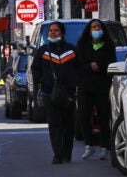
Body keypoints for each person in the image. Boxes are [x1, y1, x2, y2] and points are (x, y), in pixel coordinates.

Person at [30, 21, 80, 164]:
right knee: (54, 124)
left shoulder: (72, 50)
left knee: (68, 125)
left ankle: (67, 153)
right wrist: (41, 81)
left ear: (62, 33)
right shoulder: (43, 51)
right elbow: (35, 68)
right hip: (49, 93)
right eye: (51, 30)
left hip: (68, 94)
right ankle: (57, 154)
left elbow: (80, 68)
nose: (52, 32)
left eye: (56, 30)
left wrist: (75, 82)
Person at [77, 19, 117, 160]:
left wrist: (99, 66)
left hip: (102, 86)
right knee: (84, 114)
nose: (96, 29)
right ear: (89, 31)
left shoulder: (109, 46)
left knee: (103, 116)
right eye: (94, 27)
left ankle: (104, 147)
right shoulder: (82, 46)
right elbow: (79, 66)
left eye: (99, 27)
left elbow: (112, 63)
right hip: (85, 86)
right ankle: (89, 145)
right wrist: (89, 66)